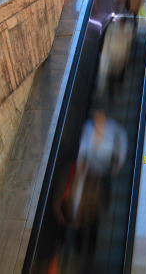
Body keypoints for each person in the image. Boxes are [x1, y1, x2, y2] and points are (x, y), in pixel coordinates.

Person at [56, 111, 127, 271]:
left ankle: (87, 248)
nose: (98, 123)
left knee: (92, 217)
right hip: (89, 180)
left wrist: (117, 165)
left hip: (102, 174)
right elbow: (83, 147)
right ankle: (76, 246)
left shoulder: (114, 130)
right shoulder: (88, 128)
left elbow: (121, 142)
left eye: (100, 120)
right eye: (96, 120)